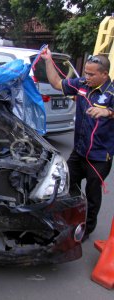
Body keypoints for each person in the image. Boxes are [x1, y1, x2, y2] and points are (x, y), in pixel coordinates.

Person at [41, 48, 114, 241]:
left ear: (104, 75)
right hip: (78, 153)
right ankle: (63, 219)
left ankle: (87, 229)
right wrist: (48, 60)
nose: (86, 77)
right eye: (86, 73)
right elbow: (56, 83)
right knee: (64, 184)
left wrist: (108, 112)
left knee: (92, 194)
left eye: (91, 74)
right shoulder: (81, 85)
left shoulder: (111, 93)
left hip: (99, 157)